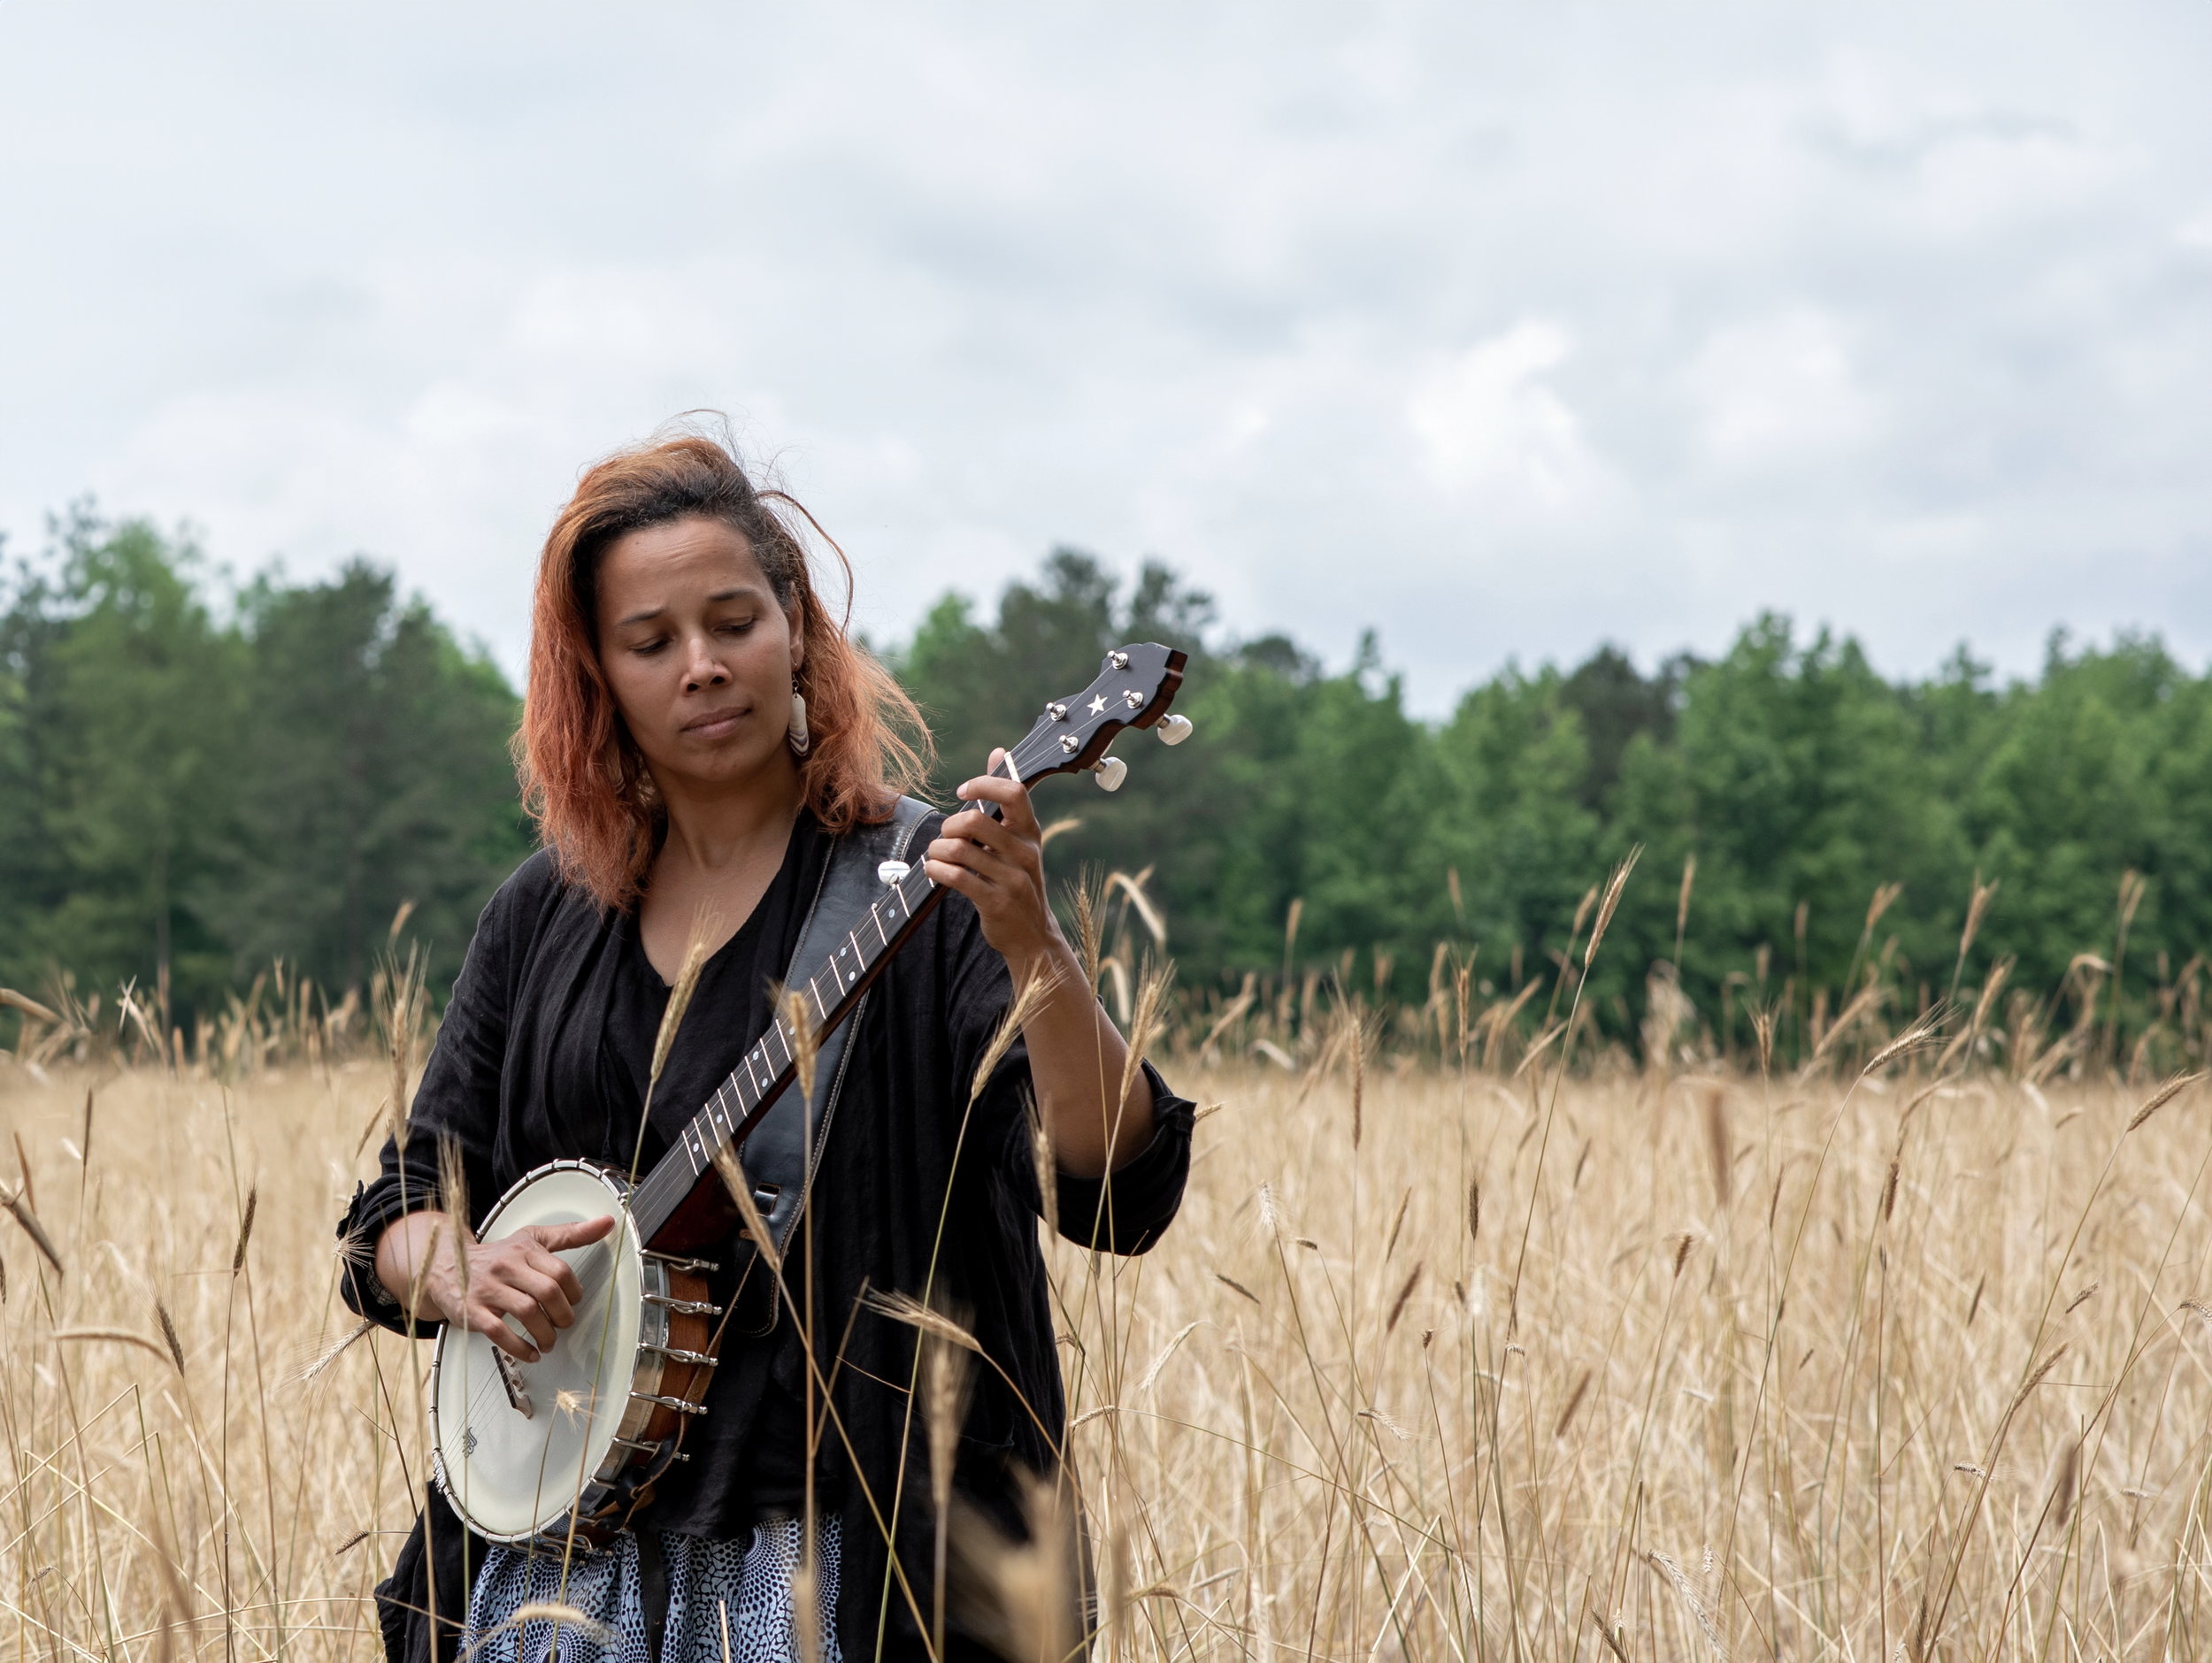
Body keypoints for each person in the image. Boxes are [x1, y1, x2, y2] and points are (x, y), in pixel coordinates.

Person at [335, 429, 1194, 1662]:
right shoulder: (541, 915)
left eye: (734, 620)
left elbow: (1114, 1187)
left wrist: (1032, 943)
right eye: (651, 642)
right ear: (600, 675)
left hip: (854, 1562)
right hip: (559, 1575)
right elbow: (403, 1206)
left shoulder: (925, 890)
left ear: (797, 627)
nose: (702, 667)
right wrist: (459, 1268)